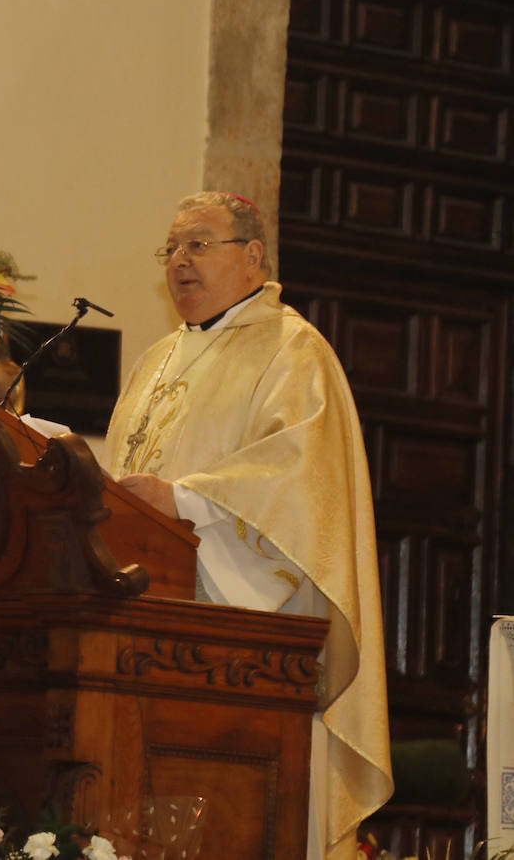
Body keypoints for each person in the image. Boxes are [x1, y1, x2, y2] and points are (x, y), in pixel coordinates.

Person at [106, 191, 391, 860]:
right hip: (143, 641)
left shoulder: (294, 353)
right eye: (171, 248)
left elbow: (300, 487)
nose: (179, 262)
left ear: (252, 256)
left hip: (245, 656)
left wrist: (184, 502)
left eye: (198, 245)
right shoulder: (155, 362)